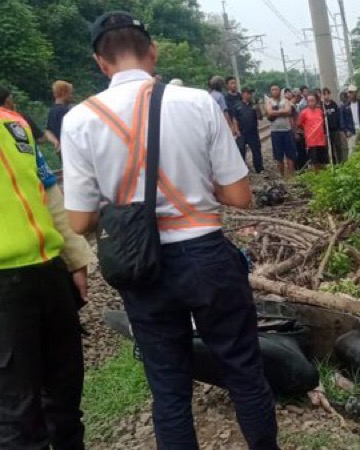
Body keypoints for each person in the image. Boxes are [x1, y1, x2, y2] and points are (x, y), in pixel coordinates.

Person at [61, 12, 280, 449]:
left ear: (100, 63)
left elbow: (80, 222)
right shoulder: (198, 102)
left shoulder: (78, 120)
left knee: (169, 389)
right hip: (205, 254)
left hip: (140, 267)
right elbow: (239, 197)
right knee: (243, 370)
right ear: (153, 52)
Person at [0, 88, 91, 450]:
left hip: (49, 273)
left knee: (65, 399)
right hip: (4, 289)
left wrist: (76, 256)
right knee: (17, 414)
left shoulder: (15, 124)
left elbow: (48, 192)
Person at [266, 84, 297, 177]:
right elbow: (269, 112)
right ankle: (282, 176)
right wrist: (282, 112)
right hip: (275, 132)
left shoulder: (286, 100)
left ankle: (292, 175)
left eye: (276, 89)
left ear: (280, 90)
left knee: (290, 155)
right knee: (278, 156)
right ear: (270, 91)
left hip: (287, 131)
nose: (274, 91)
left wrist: (275, 113)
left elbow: (289, 111)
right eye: (272, 89)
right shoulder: (269, 102)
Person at [233, 87, 264, 173]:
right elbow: (235, 119)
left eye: (250, 93)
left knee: (256, 151)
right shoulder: (237, 106)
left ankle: (259, 169)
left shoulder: (254, 105)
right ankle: (241, 170)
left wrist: (257, 110)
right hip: (241, 132)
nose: (249, 95)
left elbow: (260, 118)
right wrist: (237, 130)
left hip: (253, 132)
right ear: (243, 94)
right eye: (248, 93)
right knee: (241, 150)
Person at [297, 93, 328, 173]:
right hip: (311, 141)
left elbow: (324, 123)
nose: (311, 102)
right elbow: (299, 124)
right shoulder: (304, 112)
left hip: (321, 140)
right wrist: (307, 130)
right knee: (315, 161)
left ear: (316, 101)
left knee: (323, 160)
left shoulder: (320, 111)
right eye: (309, 101)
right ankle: (317, 176)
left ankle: (324, 175)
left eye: (313, 100)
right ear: (307, 102)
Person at [47, 80, 74, 153]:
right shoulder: (65, 111)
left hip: (60, 149)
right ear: (64, 93)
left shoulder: (52, 111)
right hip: (70, 149)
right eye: (70, 93)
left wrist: (56, 142)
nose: (71, 96)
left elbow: (48, 131)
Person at [322, 88, 347, 164]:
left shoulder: (334, 104)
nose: (326, 96)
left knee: (338, 147)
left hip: (335, 130)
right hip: (327, 131)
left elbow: (338, 116)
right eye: (325, 94)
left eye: (328, 94)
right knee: (330, 148)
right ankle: (333, 164)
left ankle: (341, 162)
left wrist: (340, 128)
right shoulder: (322, 106)